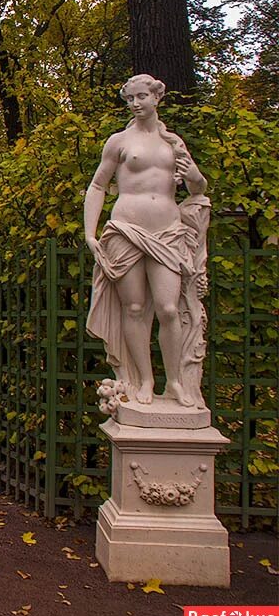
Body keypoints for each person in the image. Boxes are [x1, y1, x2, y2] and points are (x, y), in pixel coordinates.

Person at [84, 74, 211, 409]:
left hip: (167, 231)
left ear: (157, 97)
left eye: (141, 97)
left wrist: (193, 172)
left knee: (170, 309)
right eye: (130, 99)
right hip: (126, 230)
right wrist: (89, 233)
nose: (135, 104)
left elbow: (198, 188)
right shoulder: (119, 142)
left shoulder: (174, 143)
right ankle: (145, 380)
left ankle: (174, 383)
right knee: (135, 307)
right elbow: (98, 186)